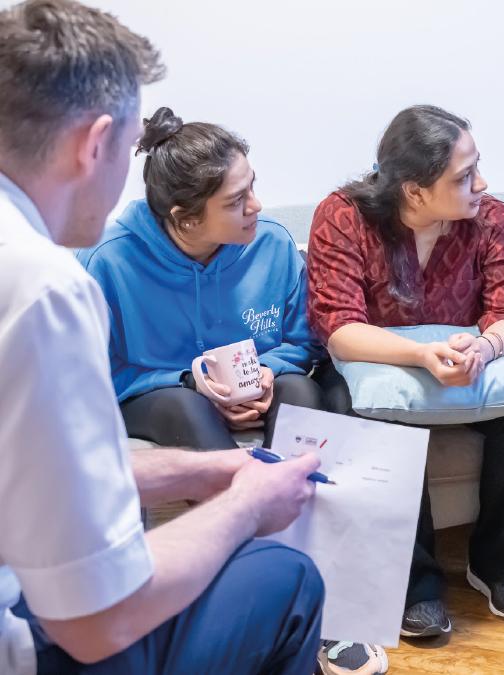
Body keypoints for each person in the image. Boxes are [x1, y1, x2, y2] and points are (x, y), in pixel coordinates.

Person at [0, 1, 327, 674]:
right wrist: (245, 504)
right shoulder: (45, 286)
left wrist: (205, 468)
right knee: (288, 576)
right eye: (130, 146)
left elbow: (48, 473)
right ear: (95, 144)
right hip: (33, 632)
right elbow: (97, 621)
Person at [306, 105, 504, 638]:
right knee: (351, 413)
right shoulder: (342, 216)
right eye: (464, 175)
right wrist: (420, 356)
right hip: (376, 364)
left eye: (478, 167)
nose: (482, 183)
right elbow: (338, 326)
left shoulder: (492, 218)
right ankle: (413, 585)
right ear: (414, 191)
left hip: (467, 358)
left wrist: (485, 349)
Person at [76, 107, 327, 451]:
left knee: (300, 391)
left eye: (251, 186)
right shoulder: (106, 260)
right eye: (236, 200)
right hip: (158, 397)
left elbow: (303, 340)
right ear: (187, 219)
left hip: (252, 387)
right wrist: (189, 382)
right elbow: (90, 373)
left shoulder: (272, 243)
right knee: (186, 407)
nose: (256, 206)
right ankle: (245, 503)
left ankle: (300, 500)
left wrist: (266, 373)